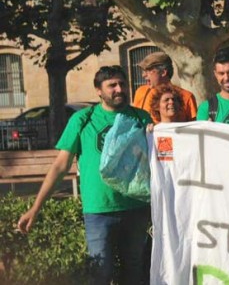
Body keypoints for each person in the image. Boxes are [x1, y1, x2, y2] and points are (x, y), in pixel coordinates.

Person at [17, 66, 152, 284]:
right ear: (98, 91)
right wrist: (35, 207)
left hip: (136, 208)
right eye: (112, 85)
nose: (119, 89)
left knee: (134, 272)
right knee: (100, 272)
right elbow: (60, 166)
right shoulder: (83, 119)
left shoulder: (141, 118)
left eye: (122, 84)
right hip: (99, 210)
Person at [132, 52, 197, 123]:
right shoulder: (141, 92)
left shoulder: (186, 96)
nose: (144, 75)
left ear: (163, 72)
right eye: (144, 71)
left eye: (149, 71)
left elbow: (193, 128)